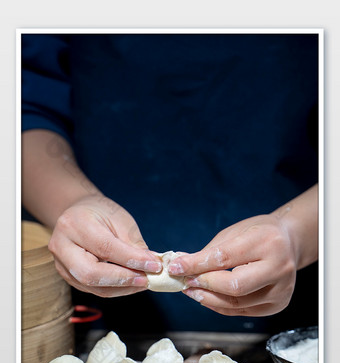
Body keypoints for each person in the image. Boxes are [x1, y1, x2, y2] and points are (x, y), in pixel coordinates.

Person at [21, 33, 319, 336]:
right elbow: (23, 102)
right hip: (92, 316)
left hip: (297, 307)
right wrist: (71, 201)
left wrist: (297, 232)